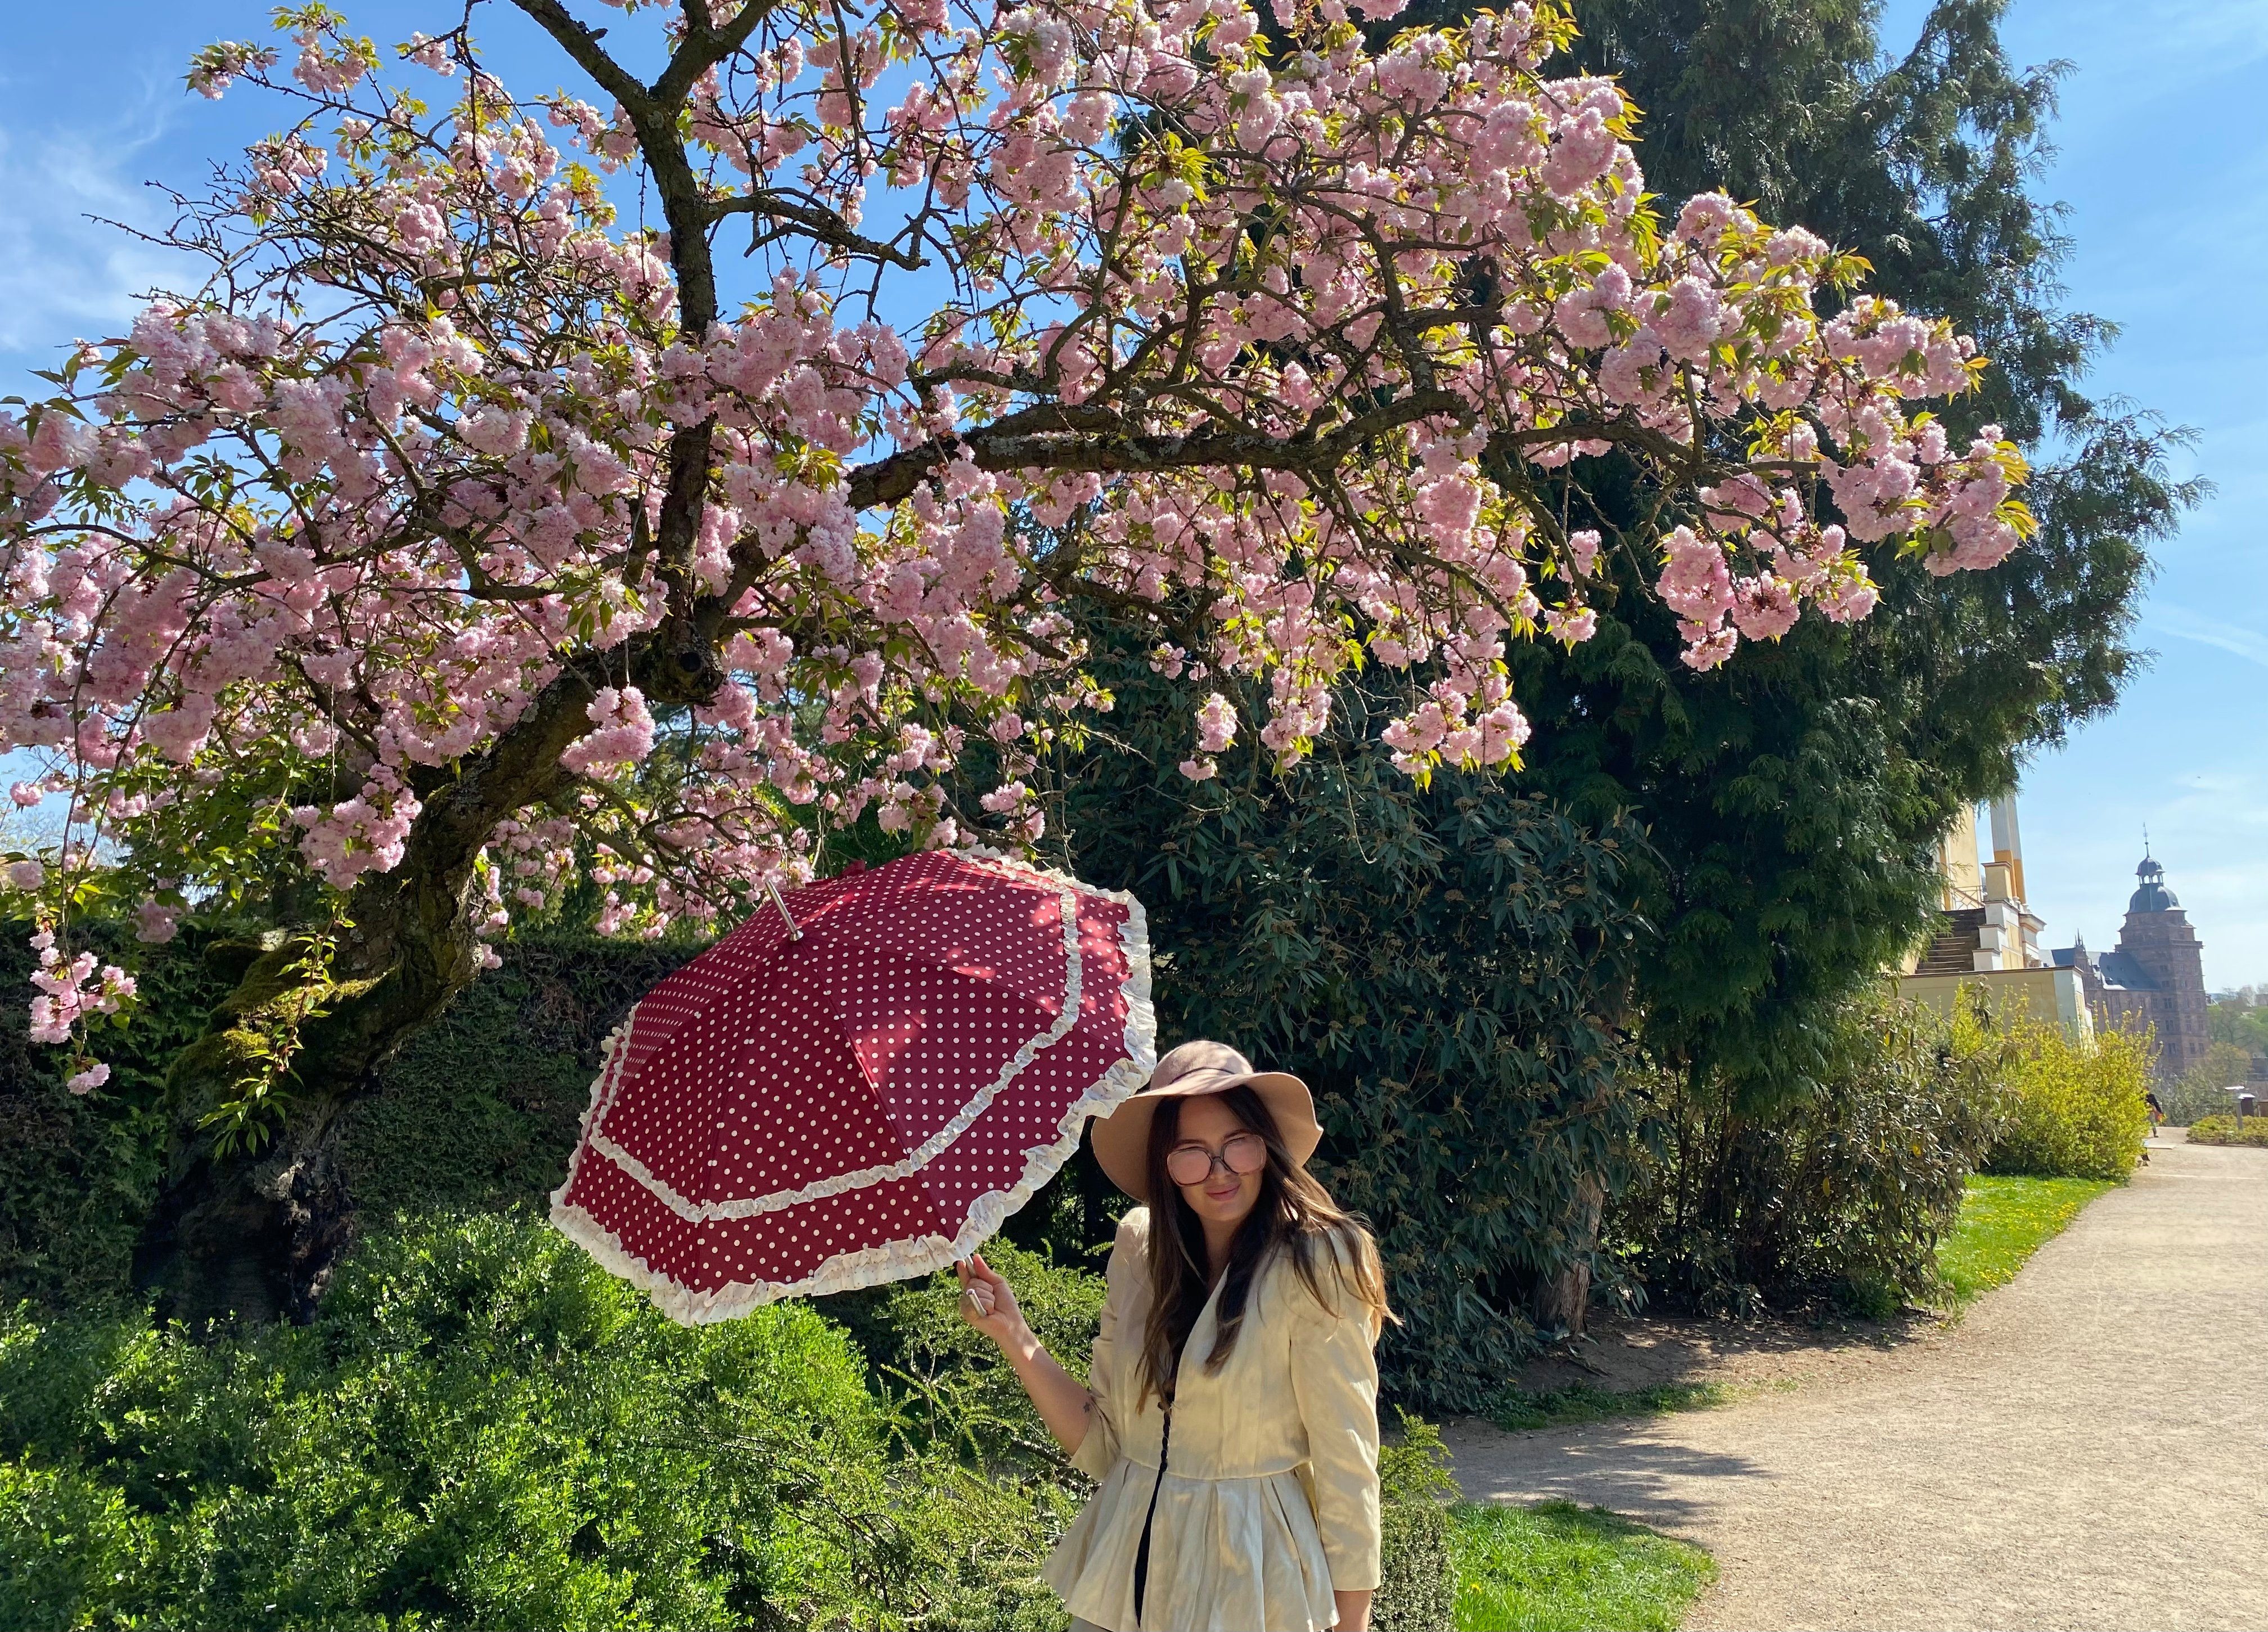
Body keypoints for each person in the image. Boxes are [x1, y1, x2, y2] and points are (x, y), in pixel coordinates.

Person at [956, 1040, 1390, 1632]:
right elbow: (1108, 1446)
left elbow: (1347, 1458)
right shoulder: (1140, 1246)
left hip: (1253, 1574)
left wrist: (1353, 1621)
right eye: (1192, 1154)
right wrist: (1015, 1334)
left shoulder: (1317, 1261)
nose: (1220, 1171)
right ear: (1165, 1166)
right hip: (1129, 1570)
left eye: (1238, 1144)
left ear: (1266, 1146)